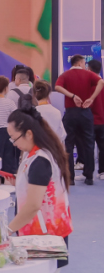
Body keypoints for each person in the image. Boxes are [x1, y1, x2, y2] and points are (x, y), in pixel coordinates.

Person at [6, 95, 73, 273]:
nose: (12, 143)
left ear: (29, 133)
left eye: (14, 138)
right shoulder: (33, 154)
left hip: (48, 235)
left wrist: (8, 229)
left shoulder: (41, 160)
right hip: (40, 232)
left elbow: (34, 205)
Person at [55, 54, 104, 185]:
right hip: (85, 112)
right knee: (89, 144)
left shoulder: (65, 75)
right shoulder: (89, 74)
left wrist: (72, 96)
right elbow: (101, 82)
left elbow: (57, 87)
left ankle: (70, 178)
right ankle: (89, 177)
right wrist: (91, 98)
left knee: (69, 144)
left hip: (70, 112)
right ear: (80, 63)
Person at [87, 59, 104, 180]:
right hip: (102, 121)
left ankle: (88, 174)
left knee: (89, 148)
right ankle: (102, 171)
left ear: (89, 69)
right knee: (103, 147)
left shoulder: (90, 86)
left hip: (90, 121)